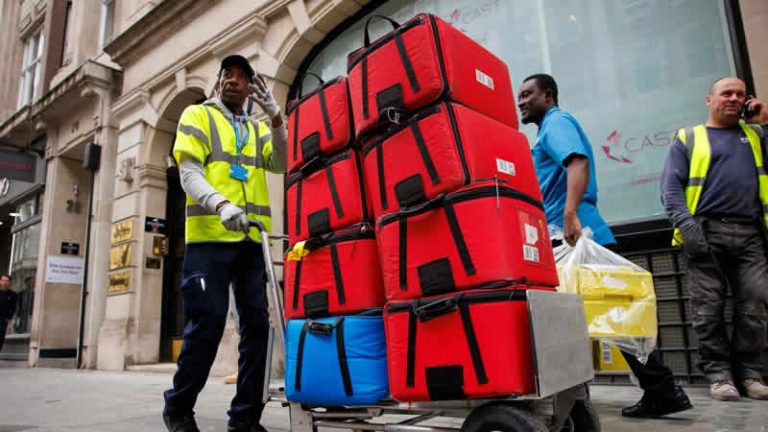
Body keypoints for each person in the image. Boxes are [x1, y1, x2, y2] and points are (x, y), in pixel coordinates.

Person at [518, 74, 692, 419]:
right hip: (575, 235)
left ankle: (662, 390)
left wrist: (570, 214)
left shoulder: (557, 122)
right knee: (610, 314)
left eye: (527, 94)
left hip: (577, 235)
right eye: (519, 96)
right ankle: (661, 390)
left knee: (603, 315)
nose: (521, 101)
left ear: (548, 95)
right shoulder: (548, 129)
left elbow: (578, 161)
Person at [162, 54, 287, 432]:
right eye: (227, 75)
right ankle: (179, 409)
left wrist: (277, 119)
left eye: (241, 77)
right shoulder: (198, 116)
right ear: (218, 82)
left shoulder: (257, 128)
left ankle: (245, 419)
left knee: (257, 328)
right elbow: (188, 172)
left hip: (251, 241)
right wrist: (221, 205)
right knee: (208, 324)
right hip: (210, 238)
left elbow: (281, 163)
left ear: (251, 87)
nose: (232, 80)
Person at [660, 76, 768, 401]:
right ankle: (720, 375)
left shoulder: (756, 135)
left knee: (756, 304)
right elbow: (670, 189)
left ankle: (750, 374)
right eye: (726, 93)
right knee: (708, 309)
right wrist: (689, 228)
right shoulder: (689, 137)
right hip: (706, 232)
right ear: (710, 100)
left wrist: (764, 121)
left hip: (751, 234)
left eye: (740, 94)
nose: (734, 98)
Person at [0, 274, 18, 353]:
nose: (5, 283)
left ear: (10, 283)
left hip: (3, 320)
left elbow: (13, 308)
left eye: (7, 281)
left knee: (0, 337)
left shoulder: (12, 295)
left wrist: (9, 318)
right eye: (3, 280)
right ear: (0, 281)